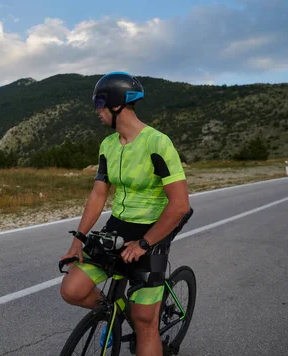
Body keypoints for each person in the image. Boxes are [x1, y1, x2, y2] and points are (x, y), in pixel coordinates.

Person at [60, 72, 191, 356]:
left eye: (99, 104)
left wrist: (145, 243)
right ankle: (117, 313)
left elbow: (179, 205)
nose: (97, 112)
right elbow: (98, 194)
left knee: (145, 323)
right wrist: (78, 240)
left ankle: (146, 321)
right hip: (117, 226)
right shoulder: (108, 146)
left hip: (152, 231)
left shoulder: (157, 143)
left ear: (116, 104)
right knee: (72, 288)